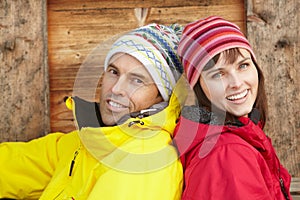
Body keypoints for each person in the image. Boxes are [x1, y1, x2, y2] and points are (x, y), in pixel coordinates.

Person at [0, 23, 185, 199]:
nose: (116, 88)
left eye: (137, 80)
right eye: (114, 72)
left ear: (161, 97)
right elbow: (13, 165)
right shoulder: (88, 141)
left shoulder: (145, 160)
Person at [174, 16, 292, 200]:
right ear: (199, 87)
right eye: (218, 74)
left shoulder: (238, 135)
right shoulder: (226, 153)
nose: (236, 83)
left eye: (243, 65)